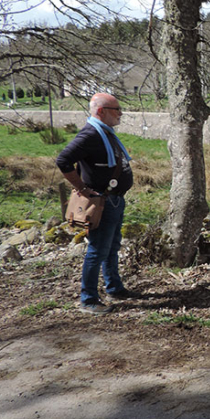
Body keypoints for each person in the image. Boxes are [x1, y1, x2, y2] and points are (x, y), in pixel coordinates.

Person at [56, 93, 137, 315]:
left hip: (114, 200)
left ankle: (114, 288)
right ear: (100, 111)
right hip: (101, 202)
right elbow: (63, 160)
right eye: (116, 109)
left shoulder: (105, 133)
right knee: (97, 250)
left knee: (111, 247)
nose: (120, 113)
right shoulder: (90, 135)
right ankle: (89, 299)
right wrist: (81, 188)